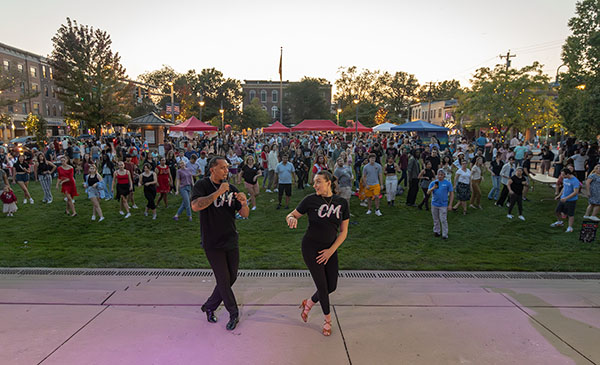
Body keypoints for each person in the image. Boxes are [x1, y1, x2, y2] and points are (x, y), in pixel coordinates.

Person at [286, 170, 349, 336]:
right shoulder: (310, 200)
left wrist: (330, 251)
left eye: (318, 181)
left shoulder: (341, 202)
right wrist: (291, 218)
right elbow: (292, 214)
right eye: (314, 182)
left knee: (332, 286)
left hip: (330, 249)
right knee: (322, 286)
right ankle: (327, 321)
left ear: (328, 182)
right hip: (311, 248)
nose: (315, 185)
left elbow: (343, 232)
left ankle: (309, 302)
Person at [191, 156, 249, 331]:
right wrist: (218, 192)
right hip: (212, 241)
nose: (226, 170)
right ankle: (233, 313)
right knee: (223, 280)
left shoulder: (231, 188)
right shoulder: (202, 185)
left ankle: (209, 305)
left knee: (232, 277)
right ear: (212, 169)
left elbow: (244, 214)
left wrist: (244, 202)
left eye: (227, 167)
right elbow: (195, 206)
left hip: (230, 239)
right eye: (223, 167)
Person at [551, 167, 581, 233]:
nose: (562, 176)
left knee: (570, 214)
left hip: (571, 200)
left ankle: (570, 227)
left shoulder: (575, 181)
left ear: (568, 174)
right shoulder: (565, 179)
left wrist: (566, 198)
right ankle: (559, 222)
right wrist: (559, 196)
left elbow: (575, 192)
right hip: (563, 198)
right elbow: (564, 188)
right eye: (561, 174)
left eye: (563, 175)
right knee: (557, 211)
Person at [428, 169, 454, 239]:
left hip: (443, 204)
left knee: (443, 219)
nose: (439, 176)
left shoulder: (448, 183)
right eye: (438, 175)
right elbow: (428, 192)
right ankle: (437, 231)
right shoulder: (433, 183)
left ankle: (445, 234)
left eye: (441, 175)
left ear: (444, 175)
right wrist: (433, 188)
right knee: (435, 219)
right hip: (434, 204)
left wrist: (450, 204)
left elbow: (451, 193)